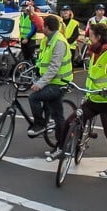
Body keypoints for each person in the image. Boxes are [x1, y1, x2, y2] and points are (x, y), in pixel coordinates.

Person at [59, 23, 107, 174]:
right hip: (93, 99)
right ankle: (62, 148)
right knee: (71, 121)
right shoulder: (93, 52)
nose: (88, 40)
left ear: (99, 37)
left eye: (90, 37)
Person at [27, 15, 73, 143]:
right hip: (51, 81)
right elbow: (41, 61)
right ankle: (62, 144)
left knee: (34, 97)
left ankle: (40, 124)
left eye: (43, 26)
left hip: (59, 83)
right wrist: (31, 73)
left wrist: (40, 84)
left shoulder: (59, 42)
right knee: (57, 116)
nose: (41, 28)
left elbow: (54, 67)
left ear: (47, 27)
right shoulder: (46, 40)